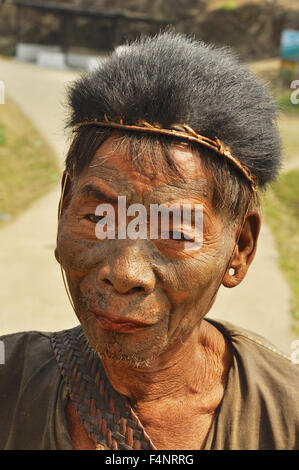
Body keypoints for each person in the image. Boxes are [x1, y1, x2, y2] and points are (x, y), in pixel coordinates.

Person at [0, 31, 298, 450]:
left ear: (241, 248)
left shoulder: (287, 416)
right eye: (100, 216)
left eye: (176, 232)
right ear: (64, 206)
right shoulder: (8, 383)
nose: (125, 273)